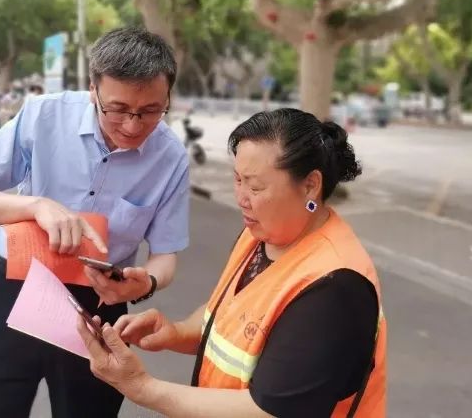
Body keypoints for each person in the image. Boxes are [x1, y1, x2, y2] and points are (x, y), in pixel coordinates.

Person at [0, 27, 189, 417]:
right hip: (16, 288)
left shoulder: (170, 157)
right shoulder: (44, 116)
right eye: (118, 109)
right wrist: (36, 206)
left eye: (151, 110)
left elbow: (166, 255)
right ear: (93, 89)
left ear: (167, 97)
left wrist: (146, 282)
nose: (133, 125)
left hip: (98, 307)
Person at [78, 109, 387, 418]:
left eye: (255, 187)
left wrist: (141, 387)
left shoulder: (336, 288)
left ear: (310, 186)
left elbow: (269, 411)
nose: (241, 197)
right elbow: (233, 315)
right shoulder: (259, 234)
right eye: (237, 179)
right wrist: (178, 332)